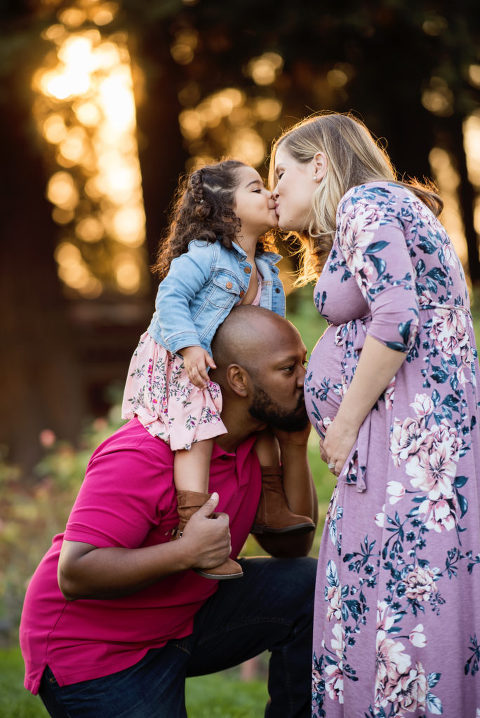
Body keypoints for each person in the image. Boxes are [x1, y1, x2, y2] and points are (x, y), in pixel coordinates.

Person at [270, 112, 480, 717]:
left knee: (408, 621)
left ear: (321, 165)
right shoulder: (374, 214)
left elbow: (397, 319)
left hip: (409, 460)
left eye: (281, 172)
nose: (275, 188)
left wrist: (340, 424)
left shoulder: (367, 200)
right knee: (392, 614)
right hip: (401, 454)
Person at [19, 305, 318, 718]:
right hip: (97, 650)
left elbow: (293, 548)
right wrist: (185, 552)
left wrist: (296, 446)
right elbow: (73, 572)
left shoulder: (253, 444)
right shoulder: (144, 453)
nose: (306, 379)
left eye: (304, 363)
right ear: (239, 381)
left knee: (312, 585)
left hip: (182, 618)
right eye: (289, 369)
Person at [121, 159, 314, 580]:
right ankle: (193, 526)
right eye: (256, 187)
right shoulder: (205, 256)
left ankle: (273, 504)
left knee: (262, 423)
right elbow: (169, 299)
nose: (271, 194)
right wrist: (189, 347)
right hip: (181, 359)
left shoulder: (265, 269)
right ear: (227, 210)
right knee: (197, 430)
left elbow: (271, 330)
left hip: (220, 365)